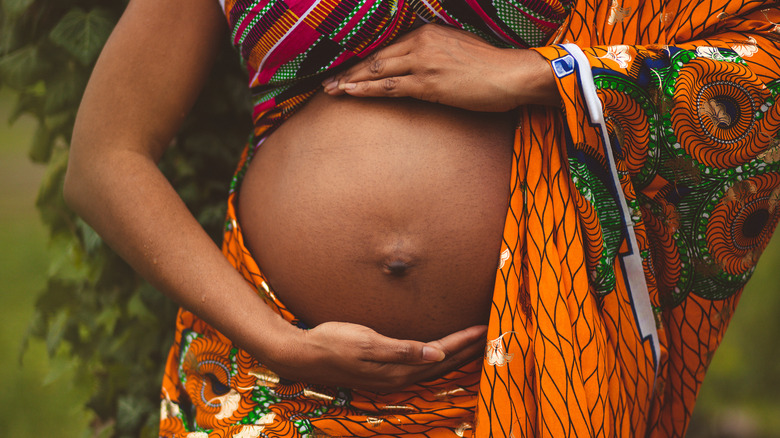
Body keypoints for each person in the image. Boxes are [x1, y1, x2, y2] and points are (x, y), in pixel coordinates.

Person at [63, 0, 780, 435]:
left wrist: (537, 74)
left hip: (532, 370)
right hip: (277, 388)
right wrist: (278, 342)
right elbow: (104, 160)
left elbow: (761, 62)